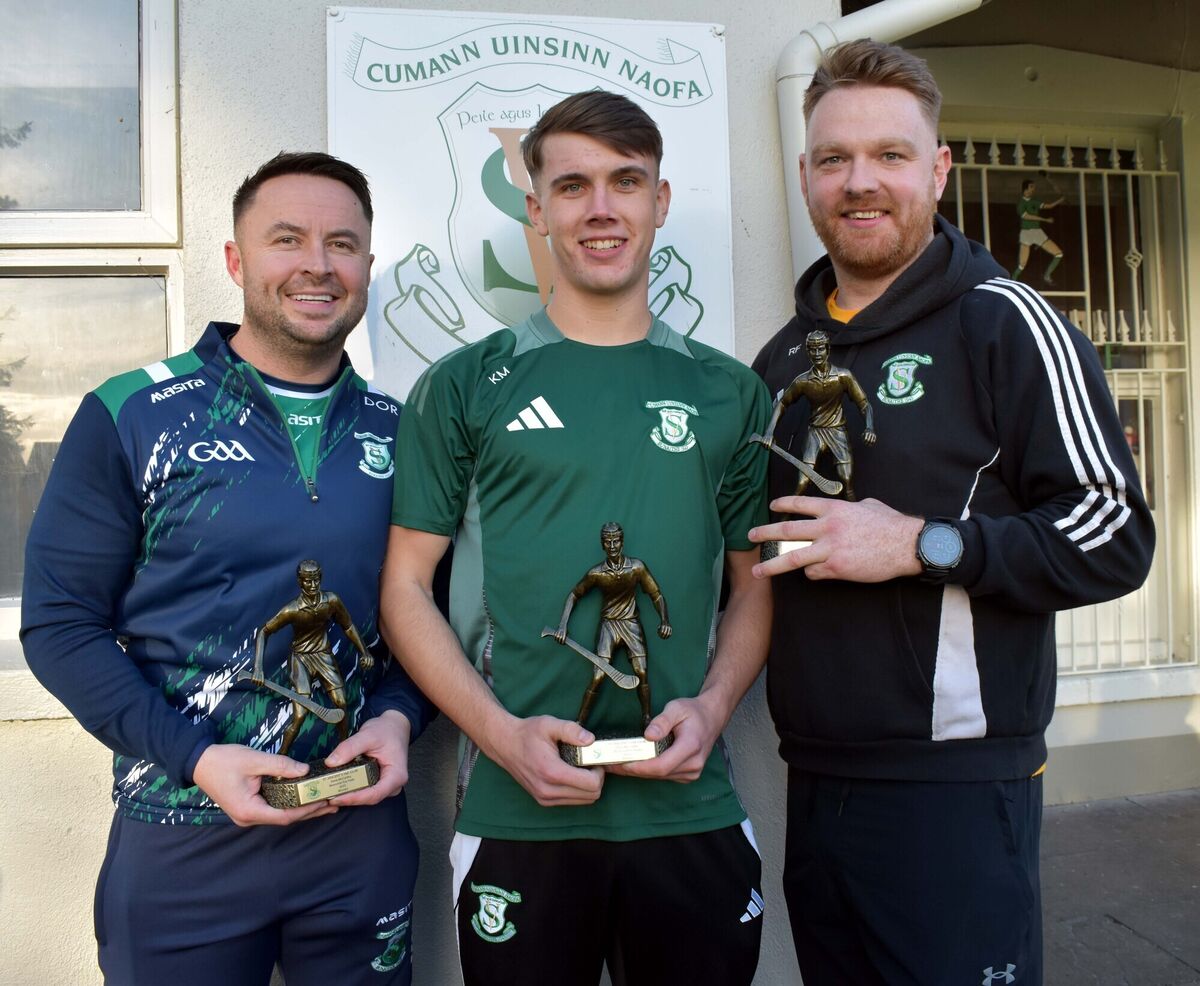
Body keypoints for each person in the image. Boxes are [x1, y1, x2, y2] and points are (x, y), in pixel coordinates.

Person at [749, 40, 1154, 986]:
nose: (860, 182)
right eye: (835, 158)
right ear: (806, 177)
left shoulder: (1006, 321)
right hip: (815, 781)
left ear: (937, 170)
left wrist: (923, 545)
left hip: (956, 793)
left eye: (889, 155)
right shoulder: (783, 358)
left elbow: (1116, 533)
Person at [381, 91, 771, 986]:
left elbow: (756, 586)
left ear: (659, 202)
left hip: (690, 807)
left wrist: (713, 710)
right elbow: (404, 589)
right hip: (518, 812)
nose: (601, 208)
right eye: (573, 186)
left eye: (625, 182)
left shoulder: (728, 392)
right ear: (537, 209)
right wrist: (498, 734)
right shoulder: (466, 385)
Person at [21, 152, 430, 985]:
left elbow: (430, 616)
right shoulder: (134, 412)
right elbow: (59, 624)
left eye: (342, 244)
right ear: (237, 261)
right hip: (183, 831)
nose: (317, 264)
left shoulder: (402, 430)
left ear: (367, 266)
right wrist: (197, 757)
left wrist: (398, 719)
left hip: (357, 834)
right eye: (288, 239)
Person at [552, 522, 671, 729]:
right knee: (598, 676)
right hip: (608, 626)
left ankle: (647, 718)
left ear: (622, 542)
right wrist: (563, 625)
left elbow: (656, 595)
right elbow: (574, 595)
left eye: (616, 541)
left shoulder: (637, 567)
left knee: (642, 672)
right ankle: (579, 722)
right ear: (603, 545)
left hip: (631, 624)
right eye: (608, 542)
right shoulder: (596, 573)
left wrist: (664, 620)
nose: (613, 545)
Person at [253, 559, 373, 755]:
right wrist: (258, 667)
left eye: (316, 580)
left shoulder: (331, 600)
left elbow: (348, 626)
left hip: (323, 655)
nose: (312, 585)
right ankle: (280, 758)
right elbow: (263, 632)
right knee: (300, 715)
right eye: (308, 581)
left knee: (341, 703)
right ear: (300, 582)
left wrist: (364, 651)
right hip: (300, 659)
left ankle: (346, 753)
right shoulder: (292, 609)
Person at [760, 328, 876, 499]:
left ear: (828, 350)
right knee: (802, 483)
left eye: (820, 349)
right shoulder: (803, 381)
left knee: (847, 479)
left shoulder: (843, 376)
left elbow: (864, 404)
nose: (816, 354)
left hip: (838, 430)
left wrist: (869, 427)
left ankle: (854, 512)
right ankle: (787, 512)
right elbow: (782, 403)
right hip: (815, 432)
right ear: (807, 352)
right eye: (812, 350)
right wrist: (769, 432)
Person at [1013, 178, 1064, 283]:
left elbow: (1048, 206)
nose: (1033, 189)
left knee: (1058, 253)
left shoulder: (1034, 201)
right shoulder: (1021, 204)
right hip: (1026, 233)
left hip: (1037, 232)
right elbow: (1027, 216)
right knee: (1022, 264)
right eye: (1031, 187)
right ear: (1025, 189)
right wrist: (1045, 220)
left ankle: (1047, 275)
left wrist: (1060, 200)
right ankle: (1012, 280)